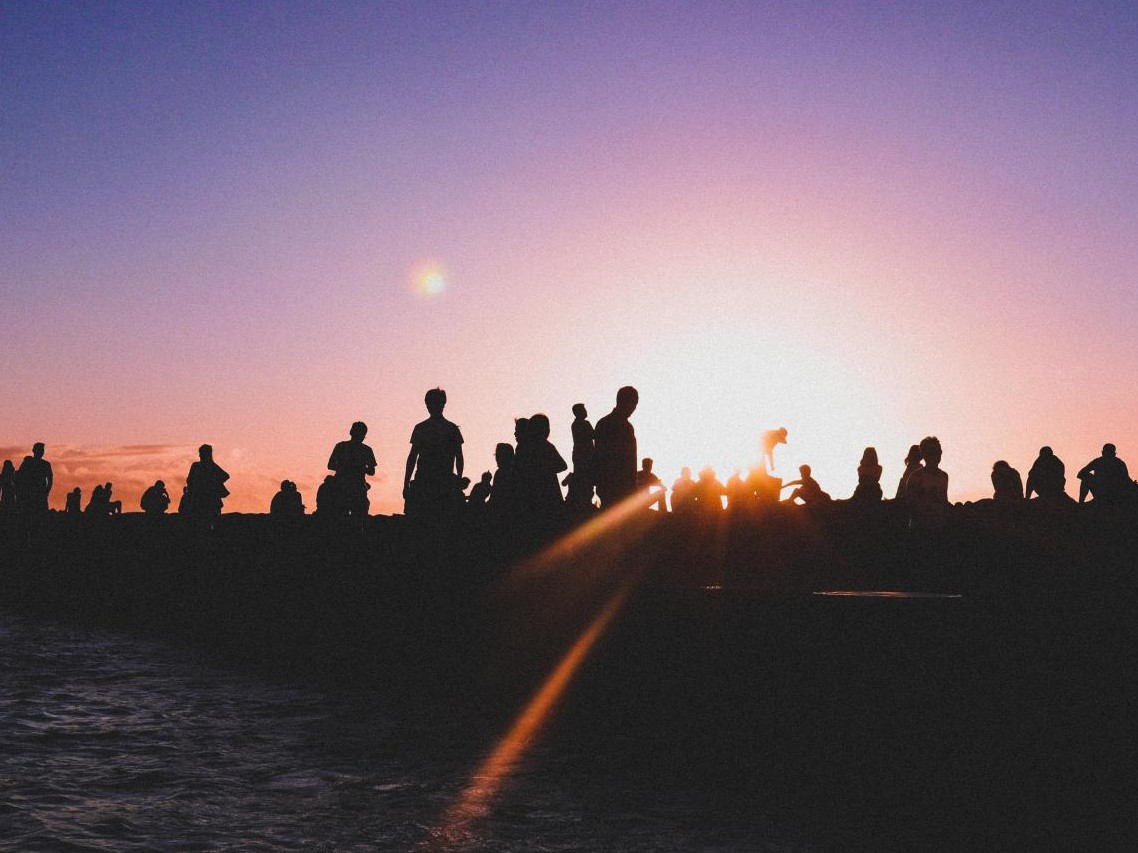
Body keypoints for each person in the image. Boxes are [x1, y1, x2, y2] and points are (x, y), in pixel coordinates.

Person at [404, 388, 464, 518]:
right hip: (426, 482)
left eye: (437, 403)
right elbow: (412, 457)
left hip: (441, 484)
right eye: (431, 403)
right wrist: (406, 482)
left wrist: (458, 481)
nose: (433, 406)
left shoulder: (450, 429)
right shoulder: (423, 428)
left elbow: (459, 457)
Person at [513, 413, 567, 522]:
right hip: (546, 498)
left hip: (536, 499)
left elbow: (562, 465)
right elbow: (562, 465)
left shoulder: (525, 448)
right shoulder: (543, 446)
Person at [594, 386, 639, 509]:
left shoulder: (603, 423)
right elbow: (630, 459)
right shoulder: (624, 427)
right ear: (623, 401)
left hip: (609, 485)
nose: (634, 408)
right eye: (633, 403)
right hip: (618, 485)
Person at [327, 421, 377, 516]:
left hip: (354, 489)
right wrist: (349, 467)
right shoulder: (342, 447)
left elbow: (372, 471)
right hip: (343, 488)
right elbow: (330, 465)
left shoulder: (342, 447)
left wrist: (359, 468)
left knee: (354, 519)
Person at [904, 436, 949, 528]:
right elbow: (909, 505)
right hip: (920, 528)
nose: (936, 454)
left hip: (939, 526)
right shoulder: (915, 477)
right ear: (924, 455)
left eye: (938, 451)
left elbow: (944, 501)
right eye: (932, 452)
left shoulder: (944, 476)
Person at [182, 444, 230, 518]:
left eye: (201, 453)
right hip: (204, 500)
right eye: (200, 453)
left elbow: (226, 476)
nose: (200, 455)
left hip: (204, 500)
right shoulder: (210, 466)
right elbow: (189, 480)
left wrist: (211, 483)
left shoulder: (203, 466)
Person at [566, 403, 596, 510]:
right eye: (584, 409)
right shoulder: (583, 424)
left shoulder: (576, 424)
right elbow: (594, 435)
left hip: (579, 455)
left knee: (582, 478)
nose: (586, 411)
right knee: (585, 479)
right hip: (585, 456)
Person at [15, 443, 52, 515]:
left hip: (40, 494)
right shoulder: (28, 462)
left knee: (40, 516)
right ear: (34, 451)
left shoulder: (45, 464)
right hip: (29, 495)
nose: (41, 452)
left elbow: (50, 479)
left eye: (42, 450)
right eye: (40, 450)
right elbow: (20, 476)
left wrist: (46, 491)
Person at [488, 442, 516, 511]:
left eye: (498, 455)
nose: (496, 459)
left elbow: (494, 498)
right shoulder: (500, 472)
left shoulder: (500, 473)